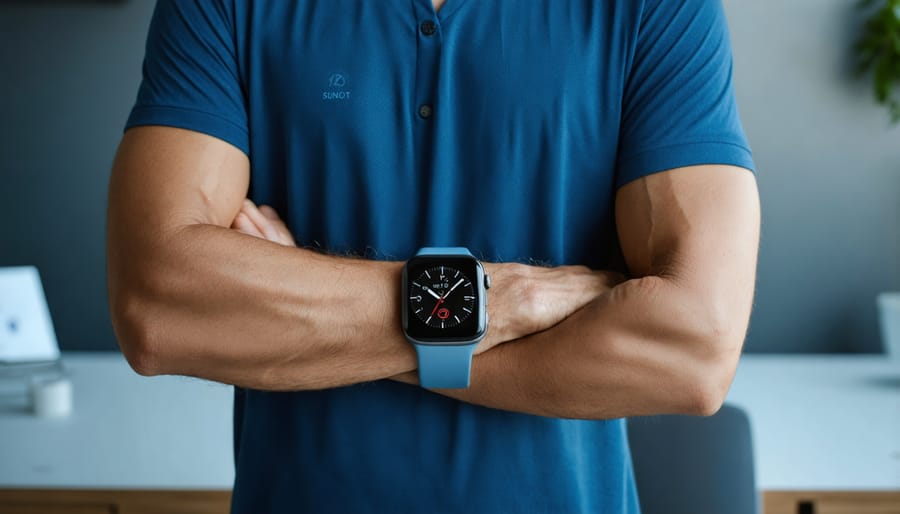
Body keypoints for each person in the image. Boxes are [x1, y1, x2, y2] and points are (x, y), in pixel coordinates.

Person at [106, 0, 760, 512]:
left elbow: (694, 350)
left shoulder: (660, 7)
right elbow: (158, 304)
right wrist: (503, 300)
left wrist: (316, 319)